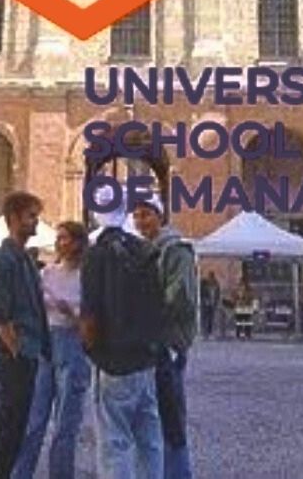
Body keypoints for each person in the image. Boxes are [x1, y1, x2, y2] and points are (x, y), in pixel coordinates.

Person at [81, 203, 165, 479]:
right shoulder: (145, 250)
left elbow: (90, 314)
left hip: (113, 359)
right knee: (149, 438)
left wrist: (90, 349)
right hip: (145, 358)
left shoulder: (97, 254)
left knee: (114, 441)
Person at [13, 219, 90, 479]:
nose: (59, 243)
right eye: (58, 238)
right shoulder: (47, 273)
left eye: (64, 238)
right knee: (34, 418)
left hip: (73, 343)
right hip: (46, 342)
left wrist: (72, 312)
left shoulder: (87, 277)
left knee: (66, 423)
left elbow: (91, 321)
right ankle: (21, 473)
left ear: (78, 243)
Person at [0, 192, 49, 479]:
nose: (36, 221)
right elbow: (0, 314)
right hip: (15, 355)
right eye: (31, 216)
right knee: (10, 426)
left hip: (27, 351)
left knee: (16, 425)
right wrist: (16, 351)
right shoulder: (4, 260)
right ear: (14, 218)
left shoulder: (24, 259)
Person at [132, 194, 198, 479]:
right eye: (137, 216)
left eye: (146, 214)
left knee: (170, 414)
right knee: (154, 412)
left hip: (167, 340)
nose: (141, 221)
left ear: (160, 216)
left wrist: (150, 315)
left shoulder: (174, 249)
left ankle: (178, 473)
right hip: (153, 341)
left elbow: (180, 296)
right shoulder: (147, 250)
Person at [199, 270, 220, 340]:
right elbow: (202, 293)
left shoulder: (216, 284)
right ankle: (204, 332)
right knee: (205, 318)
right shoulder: (204, 284)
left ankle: (209, 332)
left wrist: (216, 302)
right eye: (210, 277)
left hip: (212, 303)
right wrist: (205, 300)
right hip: (206, 303)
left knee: (211, 318)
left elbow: (217, 294)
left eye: (212, 277)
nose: (211, 278)